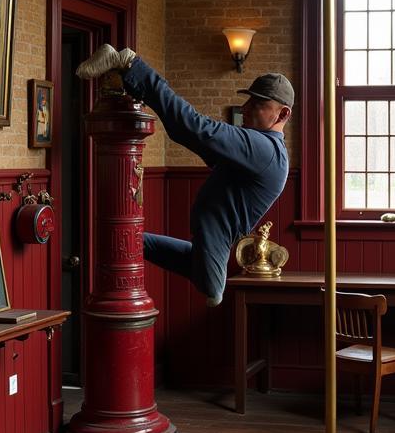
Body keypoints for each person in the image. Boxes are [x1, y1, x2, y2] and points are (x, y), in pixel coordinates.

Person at [77, 44, 292, 306]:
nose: (245, 107)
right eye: (248, 99)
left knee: (211, 289)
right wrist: (135, 242)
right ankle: (126, 68)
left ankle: (129, 62)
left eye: (257, 103)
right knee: (208, 283)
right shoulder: (264, 151)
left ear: (283, 114)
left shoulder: (264, 149)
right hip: (211, 245)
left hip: (216, 243)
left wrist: (136, 71)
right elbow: (195, 137)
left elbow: (194, 128)